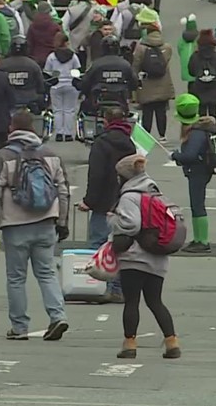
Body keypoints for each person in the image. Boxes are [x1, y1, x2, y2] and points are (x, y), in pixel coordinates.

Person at [0, 111, 71, 341]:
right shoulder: (50, 154)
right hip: (46, 222)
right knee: (47, 272)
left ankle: (20, 326)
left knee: (16, 277)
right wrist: (62, 221)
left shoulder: (3, 156)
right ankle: (57, 315)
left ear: (11, 128)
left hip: (15, 225)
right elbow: (62, 189)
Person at [110, 155, 181, 360]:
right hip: (157, 256)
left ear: (125, 177)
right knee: (155, 301)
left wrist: (114, 220)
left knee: (131, 302)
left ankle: (129, 344)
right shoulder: (156, 194)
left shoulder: (129, 197)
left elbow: (131, 224)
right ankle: (171, 342)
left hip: (135, 257)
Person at [83, 107, 136, 302]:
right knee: (120, 245)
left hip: (102, 202)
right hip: (124, 200)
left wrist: (89, 201)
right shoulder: (129, 144)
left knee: (98, 244)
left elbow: (95, 175)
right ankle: (118, 287)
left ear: (105, 121)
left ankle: (98, 286)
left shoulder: (101, 143)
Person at [171, 94, 216, 253]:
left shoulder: (195, 133)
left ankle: (202, 241)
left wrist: (175, 155)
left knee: (197, 205)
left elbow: (190, 155)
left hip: (198, 171)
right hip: (200, 170)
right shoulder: (199, 129)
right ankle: (198, 238)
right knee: (196, 204)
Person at [132, 20, 175, 141]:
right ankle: (162, 135)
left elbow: (136, 65)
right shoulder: (167, 47)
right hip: (163, 83)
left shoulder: (141, 48)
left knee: (147, 111)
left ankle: (146, 135)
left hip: (146, 84)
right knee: (161, 111)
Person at [44, 33, 80, 142]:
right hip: (70, 85)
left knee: (57, 110)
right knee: (69, 110)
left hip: (56, 85)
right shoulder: (73, 56)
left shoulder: (52, 56)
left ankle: (59, 133)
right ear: (66, 42)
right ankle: (68, 134)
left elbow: (47, 71)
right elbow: (77, 69)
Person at [187, 29, 216, 119]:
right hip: (214, 88)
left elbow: (191, 71)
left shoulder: (195, 56)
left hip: (199, 88)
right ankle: (213, 130)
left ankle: (202, 131)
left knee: (201, 112)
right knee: (213, 112)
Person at [0, 36, 46, 113]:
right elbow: (40, 86)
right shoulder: (33, 65)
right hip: (30, 99)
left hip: (8, 99)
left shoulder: (2, 65)